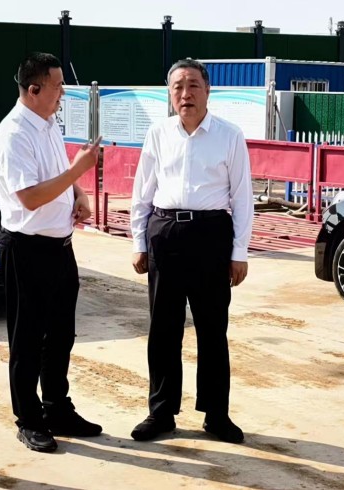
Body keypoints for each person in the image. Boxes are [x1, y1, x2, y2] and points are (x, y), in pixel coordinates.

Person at [129, 59, 254, 444]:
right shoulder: (158, 134)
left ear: (207, 91)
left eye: (193, 85)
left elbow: (242, 197)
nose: (186, 94)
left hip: (211, 236)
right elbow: (142, 191)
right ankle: (161, 412)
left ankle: (216, 415)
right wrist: (138, 241)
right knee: (163, 329)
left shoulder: (229, 136)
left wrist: (239, 251)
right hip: (165, 233)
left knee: (212, 329)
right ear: (170, 94)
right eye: (178, 87)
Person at [0, 52, 102, 453]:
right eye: (57, 87)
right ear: (34, 89)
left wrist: (78, 193)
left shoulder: (48, 124)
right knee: (27, 340)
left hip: (60, 246)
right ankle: (29, 418)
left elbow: (55, 175)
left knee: (60, 335)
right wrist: (78, 171)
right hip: (28, 249)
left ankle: (57, 407)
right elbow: (30, 197)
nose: (62, 95)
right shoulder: (14, 134)